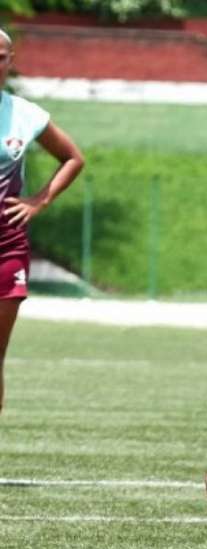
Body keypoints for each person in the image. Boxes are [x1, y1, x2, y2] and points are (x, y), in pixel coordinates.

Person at [0, 28, 85, 413]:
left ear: (10, 61)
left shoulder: (24, 114)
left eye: (0, 57)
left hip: (7, 247)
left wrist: (38, 201)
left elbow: (73, 158)